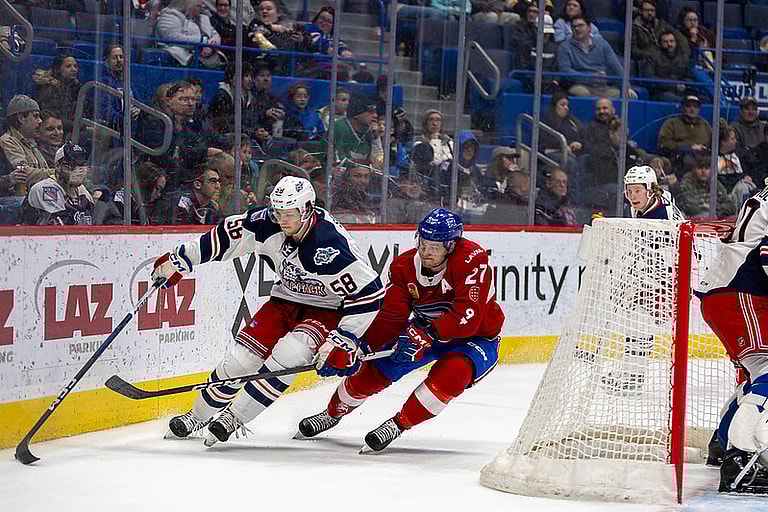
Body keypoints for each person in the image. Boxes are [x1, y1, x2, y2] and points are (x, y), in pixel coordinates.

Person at [152, 175, 385, 444]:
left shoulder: (330, 244)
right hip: (284, 300)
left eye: (289, 214)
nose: (282, 220)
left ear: (307, 209)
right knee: (241, 360)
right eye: (278, 212)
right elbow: (224, 237)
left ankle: (234, 418)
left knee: (291, 354)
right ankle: (197, 416)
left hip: (326, 310)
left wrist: (345, 339)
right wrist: (182, 259)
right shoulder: (265, 222)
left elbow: (370, 293)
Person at [296, 208, 504, 452]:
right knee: (375, 370)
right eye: (423, 243)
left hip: (475, 338)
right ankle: (332, 413)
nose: (426, 251)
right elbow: (391, 318)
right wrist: (360, 348)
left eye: (435, 247)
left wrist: (426, 333)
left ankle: (398, 425)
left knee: (453, 374)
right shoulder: (403, 266)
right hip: (427, 331)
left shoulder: (470, 259)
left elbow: (468, 319)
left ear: (451, 246)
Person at [696, 183, 768, 492]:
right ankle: (742, 462)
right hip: (743, 292)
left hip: (723, 293)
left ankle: (723, 444)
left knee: (754, 375)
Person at [557, 15, 632, 99]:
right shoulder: (564, 47)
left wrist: (626, 87)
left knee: (630, 96)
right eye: (574, 26)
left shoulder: (602, 44)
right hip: (579, 86)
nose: (577, 29)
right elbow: (565, 71)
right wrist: (590, 77)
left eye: (580, 25)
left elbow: (616, 67)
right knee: (582, 93)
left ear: (589, 27)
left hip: (603, 88)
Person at [20, 142, 93, 225]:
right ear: (58, 165)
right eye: (71, 164)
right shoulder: (44, 189)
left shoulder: (83, 191)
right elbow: (61, 226)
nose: (79, 169)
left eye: (82, 164)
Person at [0, 95, 51, 197]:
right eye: (35, 116)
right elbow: (24, 173)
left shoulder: (30, 142)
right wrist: (59, 173)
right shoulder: (7, 141)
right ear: (21, 118)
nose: (40, 121)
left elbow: (43, 170)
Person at [511, 6, 559, 92]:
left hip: (550, 85)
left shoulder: (555, 48)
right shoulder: (525, 46)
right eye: (542, 33)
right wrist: (533, 81)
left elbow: (557, 68)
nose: (544, 36)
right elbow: (523, 66)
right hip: (530, 83)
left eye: (547, 33)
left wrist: (555, 81)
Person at [31, 54, 81, 135]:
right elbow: (52, 119)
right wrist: (79, 126)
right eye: (68, 66)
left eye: (75, 66)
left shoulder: (76, 88)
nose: (73, 69)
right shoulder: (49, 89)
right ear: (58, 69)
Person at [676, 153, 737, 218]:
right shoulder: (687, 181)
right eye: (700, 168)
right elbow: (693, 207)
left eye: (707, 168)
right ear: (694, 169)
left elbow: (731, 207)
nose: (703, 171)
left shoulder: (714, 182)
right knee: (706, 215)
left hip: (715, 218)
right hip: (693, 220)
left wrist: (713, 207)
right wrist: (715, 208)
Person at [657, 95, 712, 165]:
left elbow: (714, 144)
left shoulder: (705, 125)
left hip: (703, 160)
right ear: (682, 108)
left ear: (699, 109)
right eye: (688, 106)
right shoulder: (671, 123)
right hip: (679, 159)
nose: (692, 109)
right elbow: (663, 143)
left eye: (695, 106)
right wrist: (688, 147)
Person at [643, 30, 693, 103]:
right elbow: (649, 78)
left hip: (683, 91)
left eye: (671, 41)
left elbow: (690, 77)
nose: (669, 44)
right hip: (661, 92)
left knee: (702, 99)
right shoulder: (653, 57)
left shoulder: (684, 58)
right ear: (660, 44)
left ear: (676, 42)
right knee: (673, 98)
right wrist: (674, 85)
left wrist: (685, 84)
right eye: (665, 42)